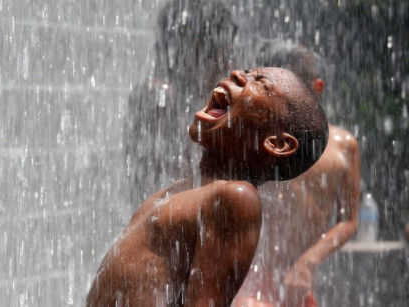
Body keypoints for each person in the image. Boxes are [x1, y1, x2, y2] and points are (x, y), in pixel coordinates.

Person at [88, 68, 328, 307]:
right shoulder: (188, 188)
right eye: (247, 71)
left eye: (261, 82)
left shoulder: (237, 197)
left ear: (276, 143)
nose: (237, 74)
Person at [234, 42, 360, 307]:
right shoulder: (250, 139)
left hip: (298, 280)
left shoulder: (343, 146)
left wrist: (309, 261)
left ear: (317, 89)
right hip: (250, 277)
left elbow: (348, 220)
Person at [124, 0, 237, 208]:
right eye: (225, 51)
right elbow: (167, 180)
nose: (228, 62)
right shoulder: (159, 98)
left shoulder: (185, 96)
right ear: (199, 50)